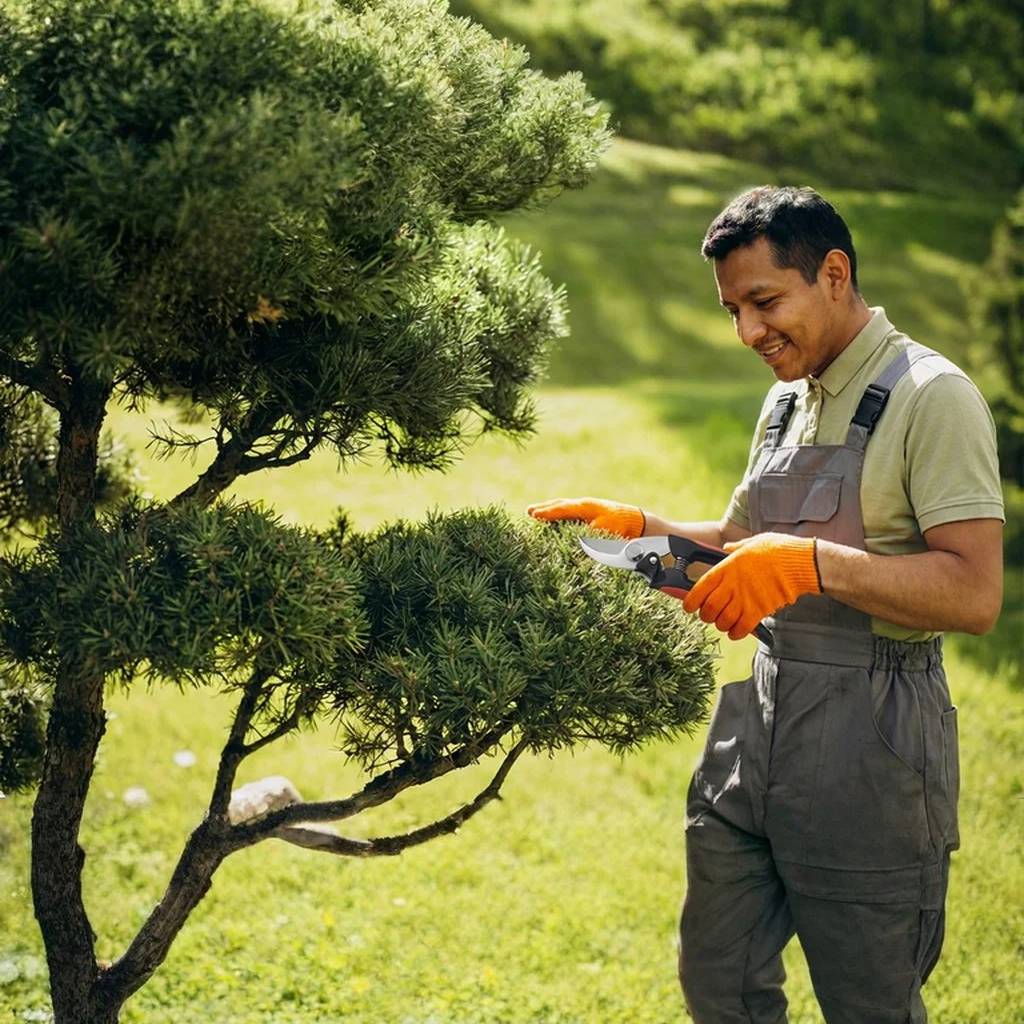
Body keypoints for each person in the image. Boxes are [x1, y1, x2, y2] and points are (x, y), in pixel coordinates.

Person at [527, 186, 1005, 1024]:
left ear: (833, 273)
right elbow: (740, 550)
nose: (748, 333)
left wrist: (814, 563)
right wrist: (641, 537)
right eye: (733, 311)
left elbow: (974, 592)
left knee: (868, 1002)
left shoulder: (934, 397)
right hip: (759, 728)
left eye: (764, 302)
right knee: (719, 978)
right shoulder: (787, 398)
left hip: (876, 742)